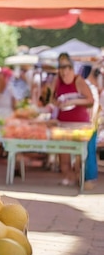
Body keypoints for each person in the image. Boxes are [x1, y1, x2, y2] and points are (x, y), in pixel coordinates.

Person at [50, 52, 94, 186]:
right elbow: (51, 98)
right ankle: (67, 176)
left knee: (80, 153)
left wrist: (73, 101)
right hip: (63, 122)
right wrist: (56, 103)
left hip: (79, 123)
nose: (64, 75)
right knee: (63, 152)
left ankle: (78, 176)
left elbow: (90, 100)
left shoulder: (79, 81)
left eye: (66, 71)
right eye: (61, 71)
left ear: (71, 70)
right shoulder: (57, 81)